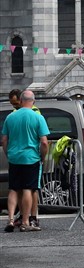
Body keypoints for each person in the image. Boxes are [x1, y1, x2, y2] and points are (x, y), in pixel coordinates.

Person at [1, 89, 50, 232]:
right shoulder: (38, 117)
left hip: (14, 157)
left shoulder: (10, 117)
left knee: (14, 189)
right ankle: (25, 222)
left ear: (21, 101)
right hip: (31, 158)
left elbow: (4, 140)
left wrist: (9, 154)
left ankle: (11, 220)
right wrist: (42, 157)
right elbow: (44, 142)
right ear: (33, 101)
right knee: (28, 188)